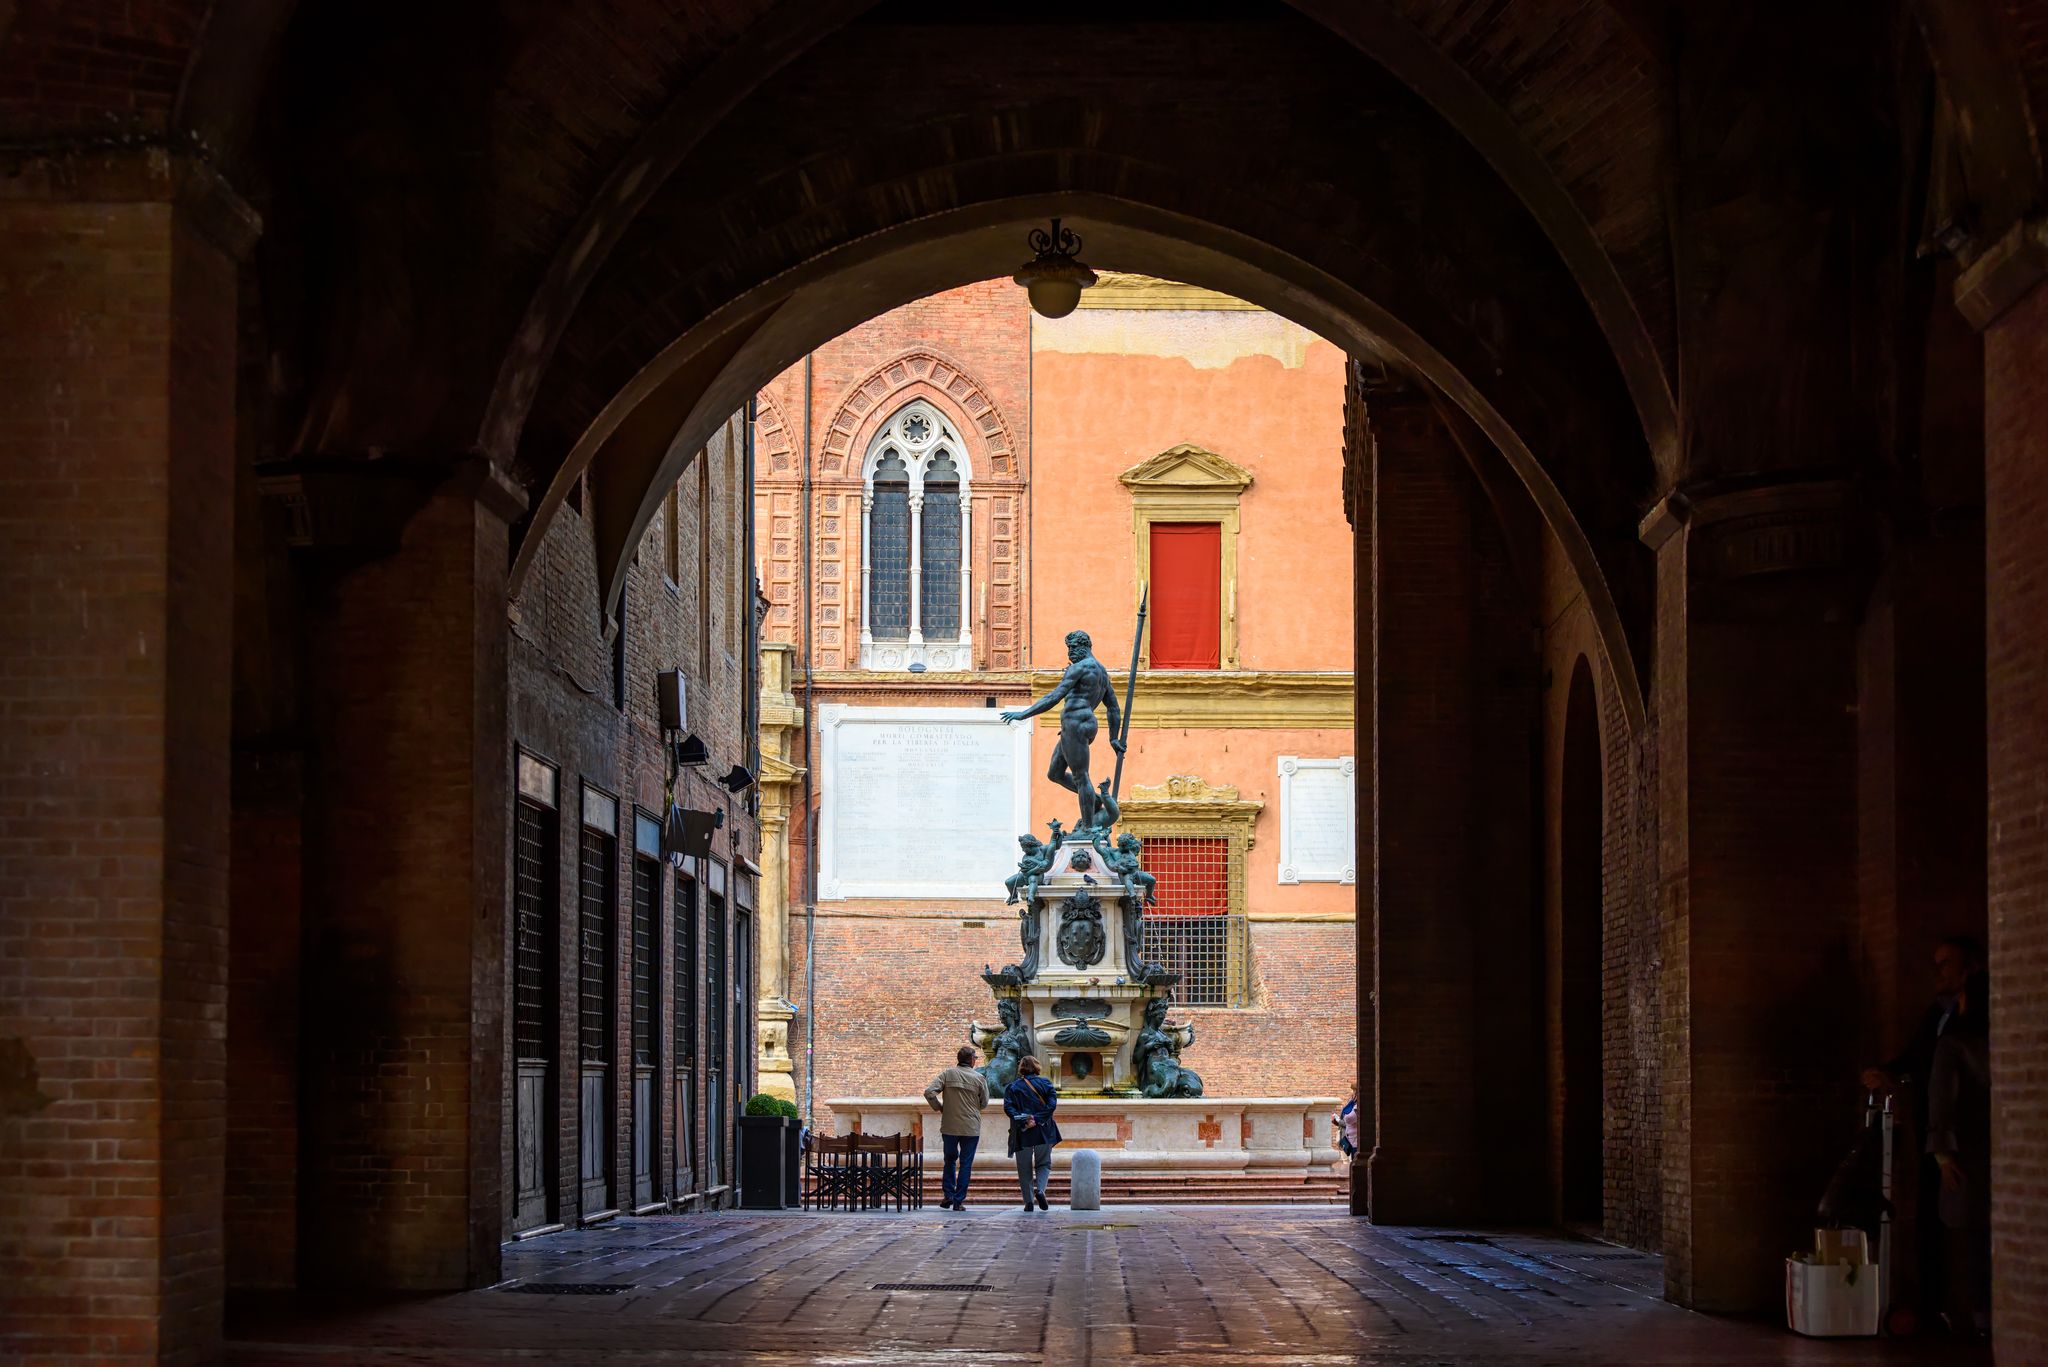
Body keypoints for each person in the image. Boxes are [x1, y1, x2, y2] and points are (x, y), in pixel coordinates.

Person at [1861, 933, 1983, 1320]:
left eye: (1947, 963)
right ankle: (1934, 1305)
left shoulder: (1976, 1015)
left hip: (1964, 1134)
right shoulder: (1938, 1012)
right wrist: (1885, 1072)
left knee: (1966, 1221)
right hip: (1933, 1131)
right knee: (1932, 1217)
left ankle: (1971, 1308)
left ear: (1970, 967)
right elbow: (1917, 1055)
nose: (1939, 971)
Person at [1000, 629, 1124, 833]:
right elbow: (1113, 708)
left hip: (1075, 723)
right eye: (1069, 648)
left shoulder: (1079, 668)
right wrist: (1113, 738)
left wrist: (1023, 715)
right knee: (1055, 773)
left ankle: (1087, 828)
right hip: (1081, 724)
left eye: (1073, 648)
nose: (1070, 653)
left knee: (1081, 777)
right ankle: (1094, 799)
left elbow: (1054, 697)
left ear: (1085, 646)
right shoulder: (1102, 672)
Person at [1927, 969, 1991, 1335]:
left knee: (1970, 1239)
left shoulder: (1954, 1043)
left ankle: (1976, 1317)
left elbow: (1941, 1101)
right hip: (2002, 1150)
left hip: (1965, 1153)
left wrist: (1942, 1155)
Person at [923, 1044, 990, 1212]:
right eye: (975, 1057)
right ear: (971, 1060)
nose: (976, 1060)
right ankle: (958, 1201)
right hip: (971, 1127)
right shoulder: (979, 1078)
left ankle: (948, 1195)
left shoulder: (947, 1074)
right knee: (966, 1164)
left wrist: (940, 1107)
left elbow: (929, 1092)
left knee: (949, 1161)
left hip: (950, 1126)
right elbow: (984, 1103)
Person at [1004, 1054, 1061, 1212]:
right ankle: (1041, 1190)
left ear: (1021, 1068)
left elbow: (1009, 1108)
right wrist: (1036, 1119)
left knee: (1024, 1167)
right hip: (1043, 1130)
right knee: (1043, 1163)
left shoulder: (1013, 1087)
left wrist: (1025, 1120)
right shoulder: (1046, 1084)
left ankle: (1028, 1202)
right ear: (1037, 1067)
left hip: (1023, 1132)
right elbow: (1051, 1106)